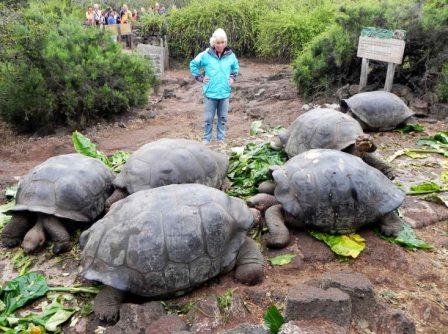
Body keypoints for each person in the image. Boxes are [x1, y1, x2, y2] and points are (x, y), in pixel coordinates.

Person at [190, 28, 239, 144]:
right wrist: (200, 77)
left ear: (225, 43)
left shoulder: (231, 55)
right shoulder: (206, 55)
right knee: (208, 119)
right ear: (213, 43)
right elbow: (193, 64)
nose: (220, 45)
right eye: (218, 43)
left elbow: (235, 67)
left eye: (223, 42)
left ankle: (220, 139)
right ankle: (206, 139)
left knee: (223, 118)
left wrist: (232, 77)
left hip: (224, 92)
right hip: (210, 93)